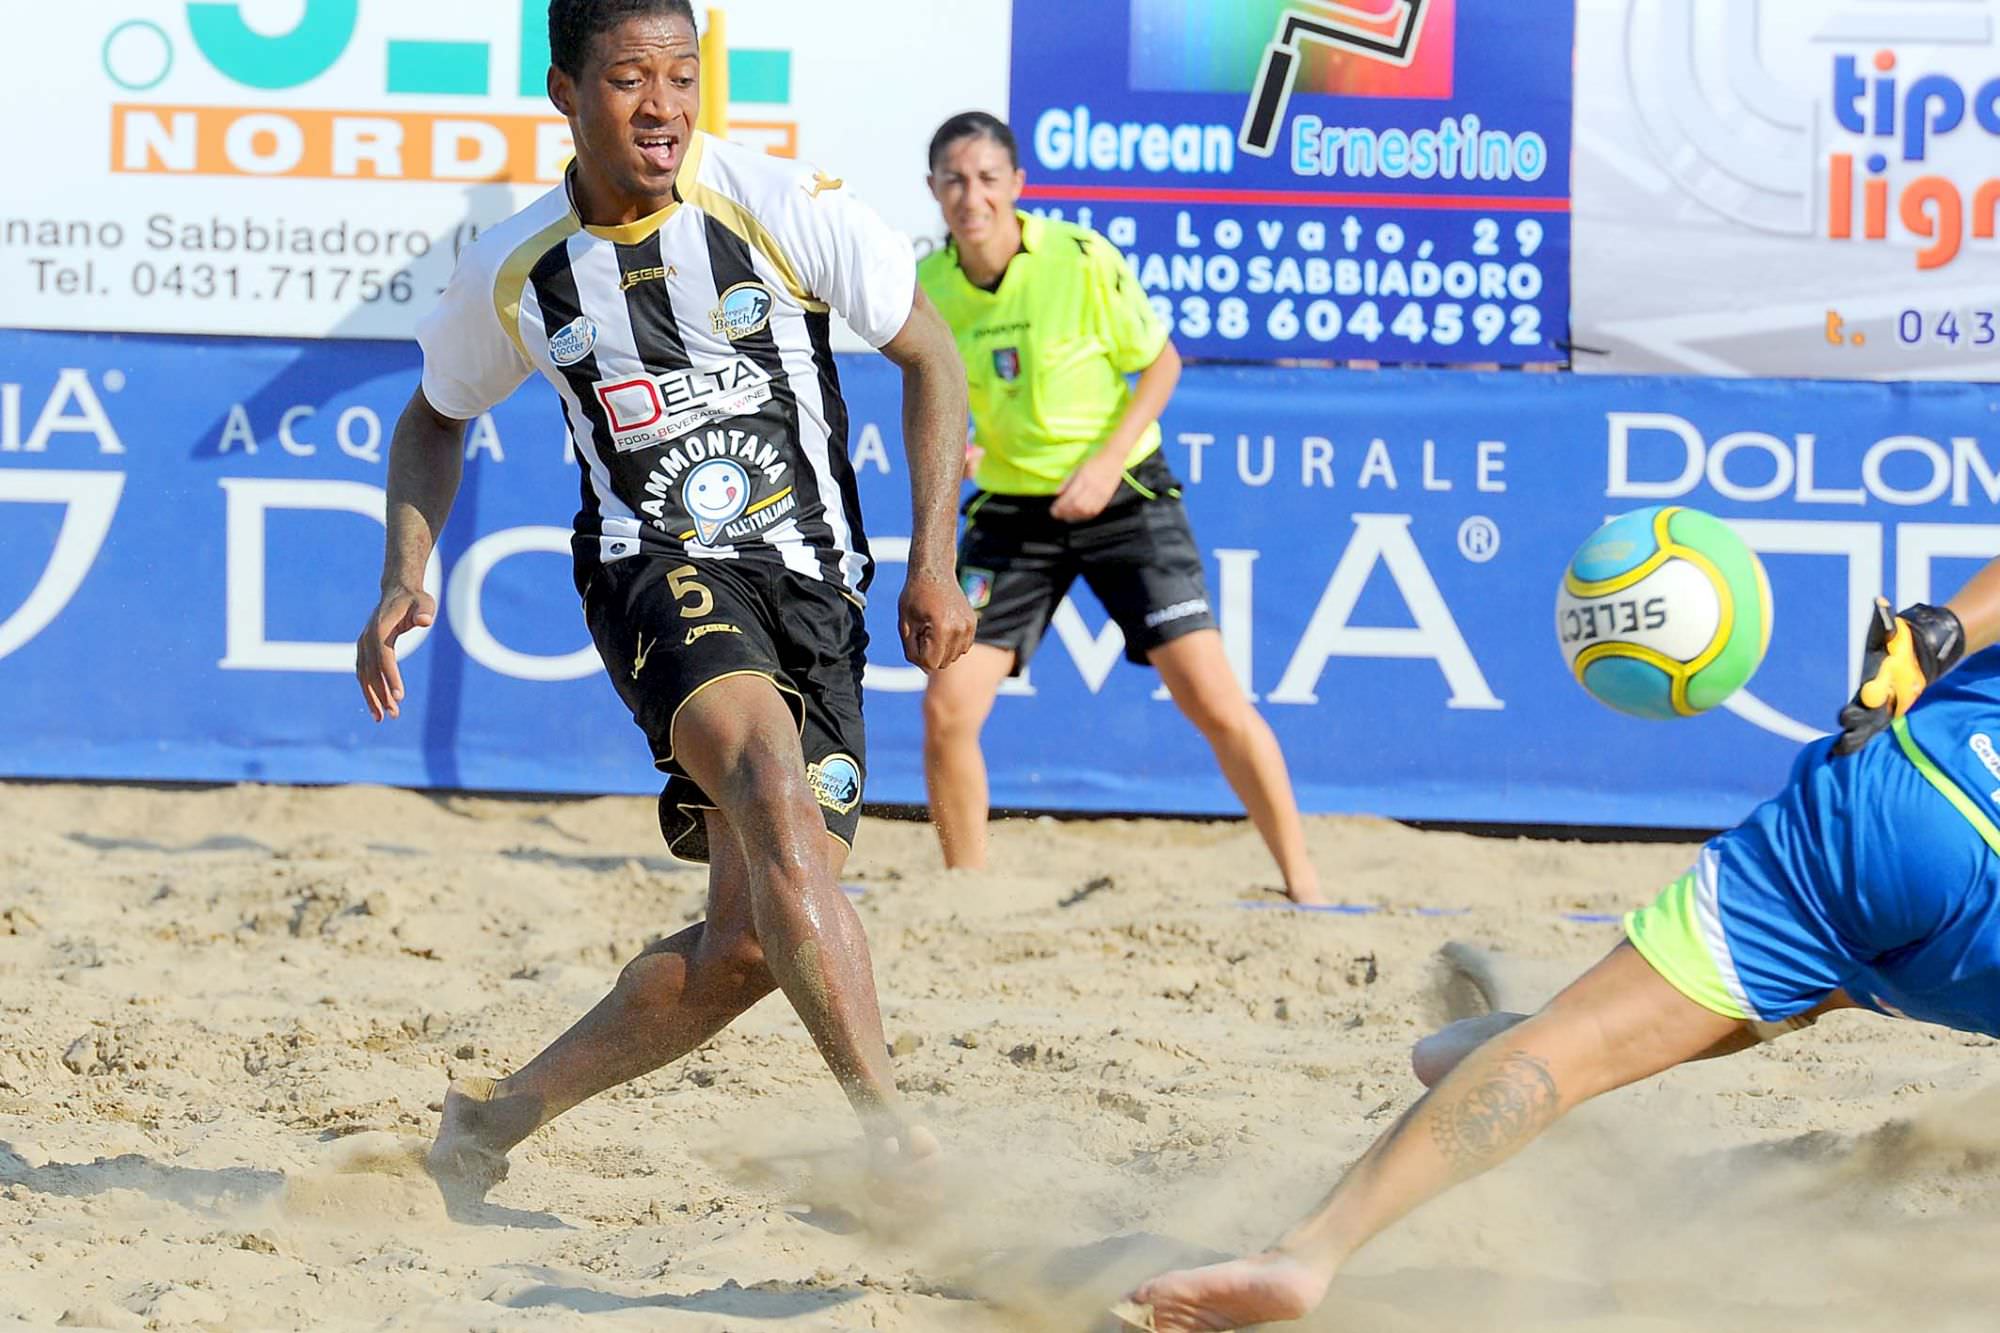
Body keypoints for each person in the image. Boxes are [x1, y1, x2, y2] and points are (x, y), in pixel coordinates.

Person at [352, 0, 975, 1199]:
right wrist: (402, 575)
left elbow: (930, 355)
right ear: (565, 92)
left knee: (748, 946)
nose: (663, 107)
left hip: (815, 582)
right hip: (654, 567)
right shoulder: (521, 264)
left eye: (682, 77)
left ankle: (484, 1128)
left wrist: (931, 556)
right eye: (633, 78)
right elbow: (434, 413)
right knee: (765, 779)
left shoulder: (779, 207)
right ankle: (892, 1130)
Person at [1123, 571, 2000, 1331]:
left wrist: (1941, 630)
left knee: (1583, 1044)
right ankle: (1555, 1030)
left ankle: (1308, 1253)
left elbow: (1952, 627)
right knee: (1843, 979)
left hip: (1918, 796)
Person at [916, 113, 1322, 904]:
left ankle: (1305, 885)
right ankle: (966, 895)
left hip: (1124, 496)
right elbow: (942, 391)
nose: (973, 196)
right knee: (946, 704)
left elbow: (1161, 363)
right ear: (932, 189)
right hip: (1011, 510)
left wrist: (1104, 466)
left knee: (1213, 699)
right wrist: (961, 444)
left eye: (988, 178)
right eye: (955, 179)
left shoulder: (1078, 256)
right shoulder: (927, 287)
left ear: (1017, 186)